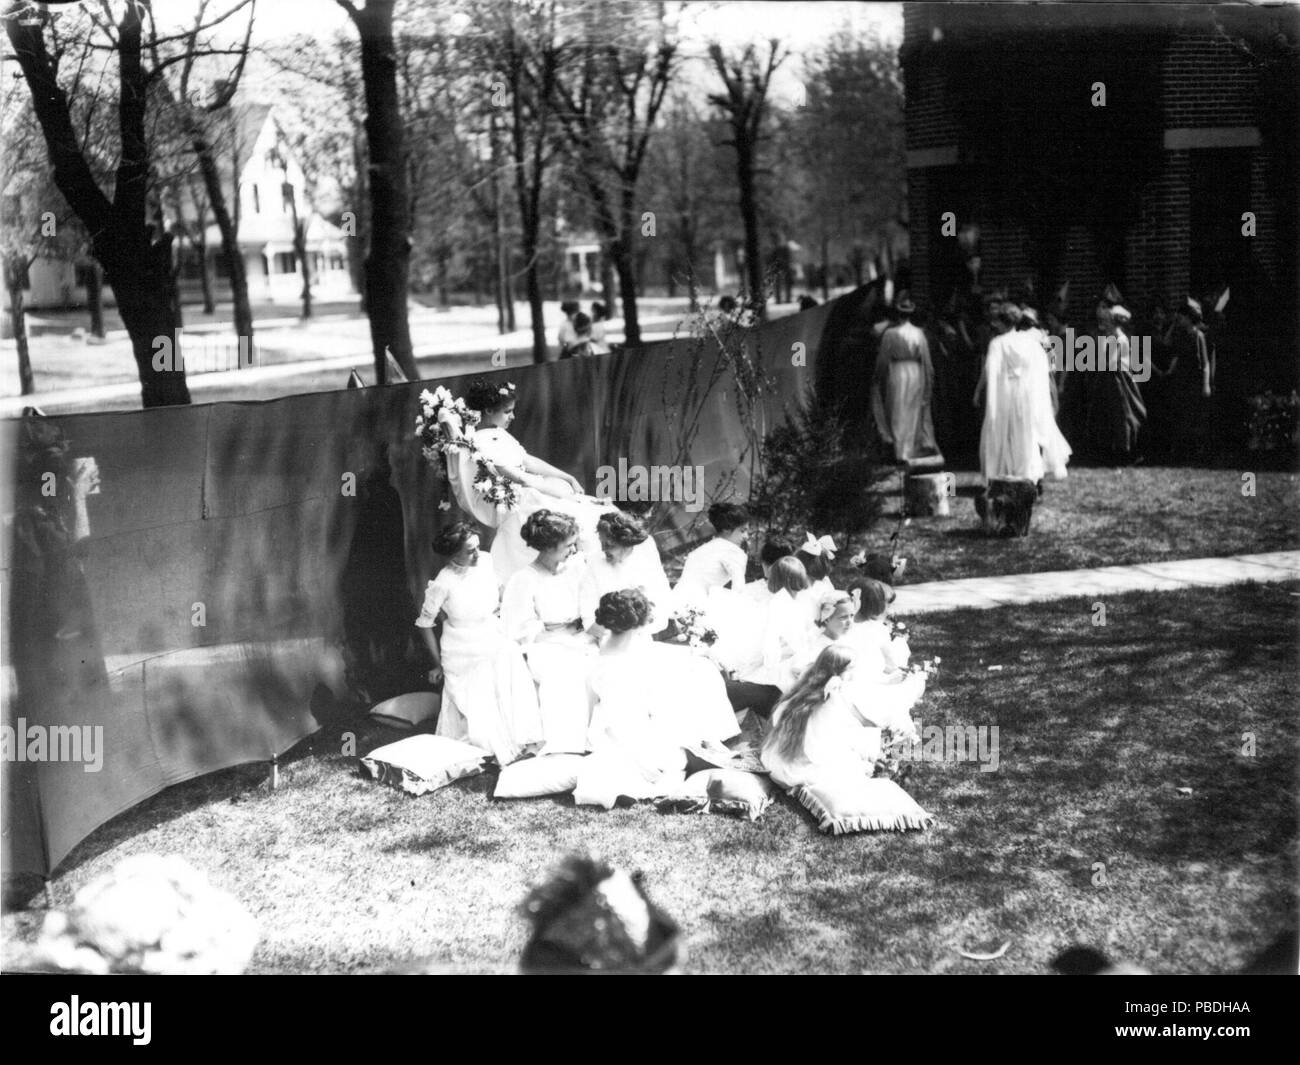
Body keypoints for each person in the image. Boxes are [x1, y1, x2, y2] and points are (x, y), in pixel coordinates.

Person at [578, 589, 741, 807]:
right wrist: (643, 760)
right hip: (624, 732)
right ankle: (705, 746)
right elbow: (621, 719)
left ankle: (706, 742)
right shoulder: (616, 666)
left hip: (625, 722)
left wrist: (699, 654)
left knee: (696, 671)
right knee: (674, 754)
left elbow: (653, 652)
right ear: (636, 625)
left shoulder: (613, 642)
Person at [447, 378, 610, 584]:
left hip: (535, 494)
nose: (512, 416)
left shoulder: (499, 433)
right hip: (524, 506)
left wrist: (568, 477)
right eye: (507, 411)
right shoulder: (480, 443)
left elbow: (527, 461)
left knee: (590, 514)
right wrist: (573, 497)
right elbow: (524, 479)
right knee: (581, 516)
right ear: (488, 410)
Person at [415, 523, 543, 764]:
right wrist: (436, 664)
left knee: (510, 656)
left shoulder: (485, 560)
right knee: (482, 684)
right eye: (469, 551)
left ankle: (523, 738)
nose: (476, 554)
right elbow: (425, 624)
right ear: (453, 554)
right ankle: (492, 744)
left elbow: (499, 591)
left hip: (491, 632)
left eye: (477, 547)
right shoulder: (443, 582)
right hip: (460, 645)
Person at [501, 511, 599, 754]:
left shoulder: (578, 567)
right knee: (568, 673)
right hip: (548, 645)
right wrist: (554, 630)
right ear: (548, 547)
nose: (572, 549)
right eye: (567, 545)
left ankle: (599, 742)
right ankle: (569, 746)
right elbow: (516, 628)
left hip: (585, 638)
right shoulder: (524, 579)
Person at [974, 304, 1072, 486]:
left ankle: (1007, 469)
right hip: (1025, 391)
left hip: (1005, 390)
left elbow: (992, 372)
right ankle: (1025, 469)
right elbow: (1042, 367)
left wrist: (990, 401)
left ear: (1002, 323)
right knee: (1024, 430)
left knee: (1006, 428)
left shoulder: (998, 343)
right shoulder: (1029, 342)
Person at [760, 645, 881, 789]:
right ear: (838, 671)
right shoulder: (831, 697)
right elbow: (822, 747)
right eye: (850, 669)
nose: (853, 674)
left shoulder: (803, 690)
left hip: (773, 763)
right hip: (793, 772)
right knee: (854, 754)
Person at [871, 291, 944, 464]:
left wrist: (878, 375)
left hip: (897, 370)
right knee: (912, 408)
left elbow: (883, 357)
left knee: (897, 408)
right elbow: (925, 359)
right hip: (915, 371)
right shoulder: (918, 333)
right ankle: (908, 449)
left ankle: (900, 451)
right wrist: (928, 377)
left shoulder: (890, 334)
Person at [580, 510, 672, 638]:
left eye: (609, 545)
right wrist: (614, 638)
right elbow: (588, 615)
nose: (603, 549)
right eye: (601, 543)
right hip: (604, 638)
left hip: (641, 637)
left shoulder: (646, 562)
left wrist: (633, 635)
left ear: (626, 543)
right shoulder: (595, 563)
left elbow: (662, 608)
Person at [1156, 297, 1213, 461]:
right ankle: (1183, 449)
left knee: (1194, 415)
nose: (1179, 320)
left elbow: (1205, 362)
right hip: (1181, 380)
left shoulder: (1198, 336)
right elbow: (1167, 345)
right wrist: (1174, 325)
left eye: (1181, 317)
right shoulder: (1180, 335)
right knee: (1181, 415)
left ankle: (1196, 449)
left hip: (1194, 380)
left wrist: (1206, 385)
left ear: (1188, 318)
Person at [673, 502, 750, 609]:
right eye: (742, 531)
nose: (746, 536)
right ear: (726, 529)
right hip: (699, 606)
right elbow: (739, 588)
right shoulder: (734, 552)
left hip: (677, 602)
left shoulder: (702, 549)